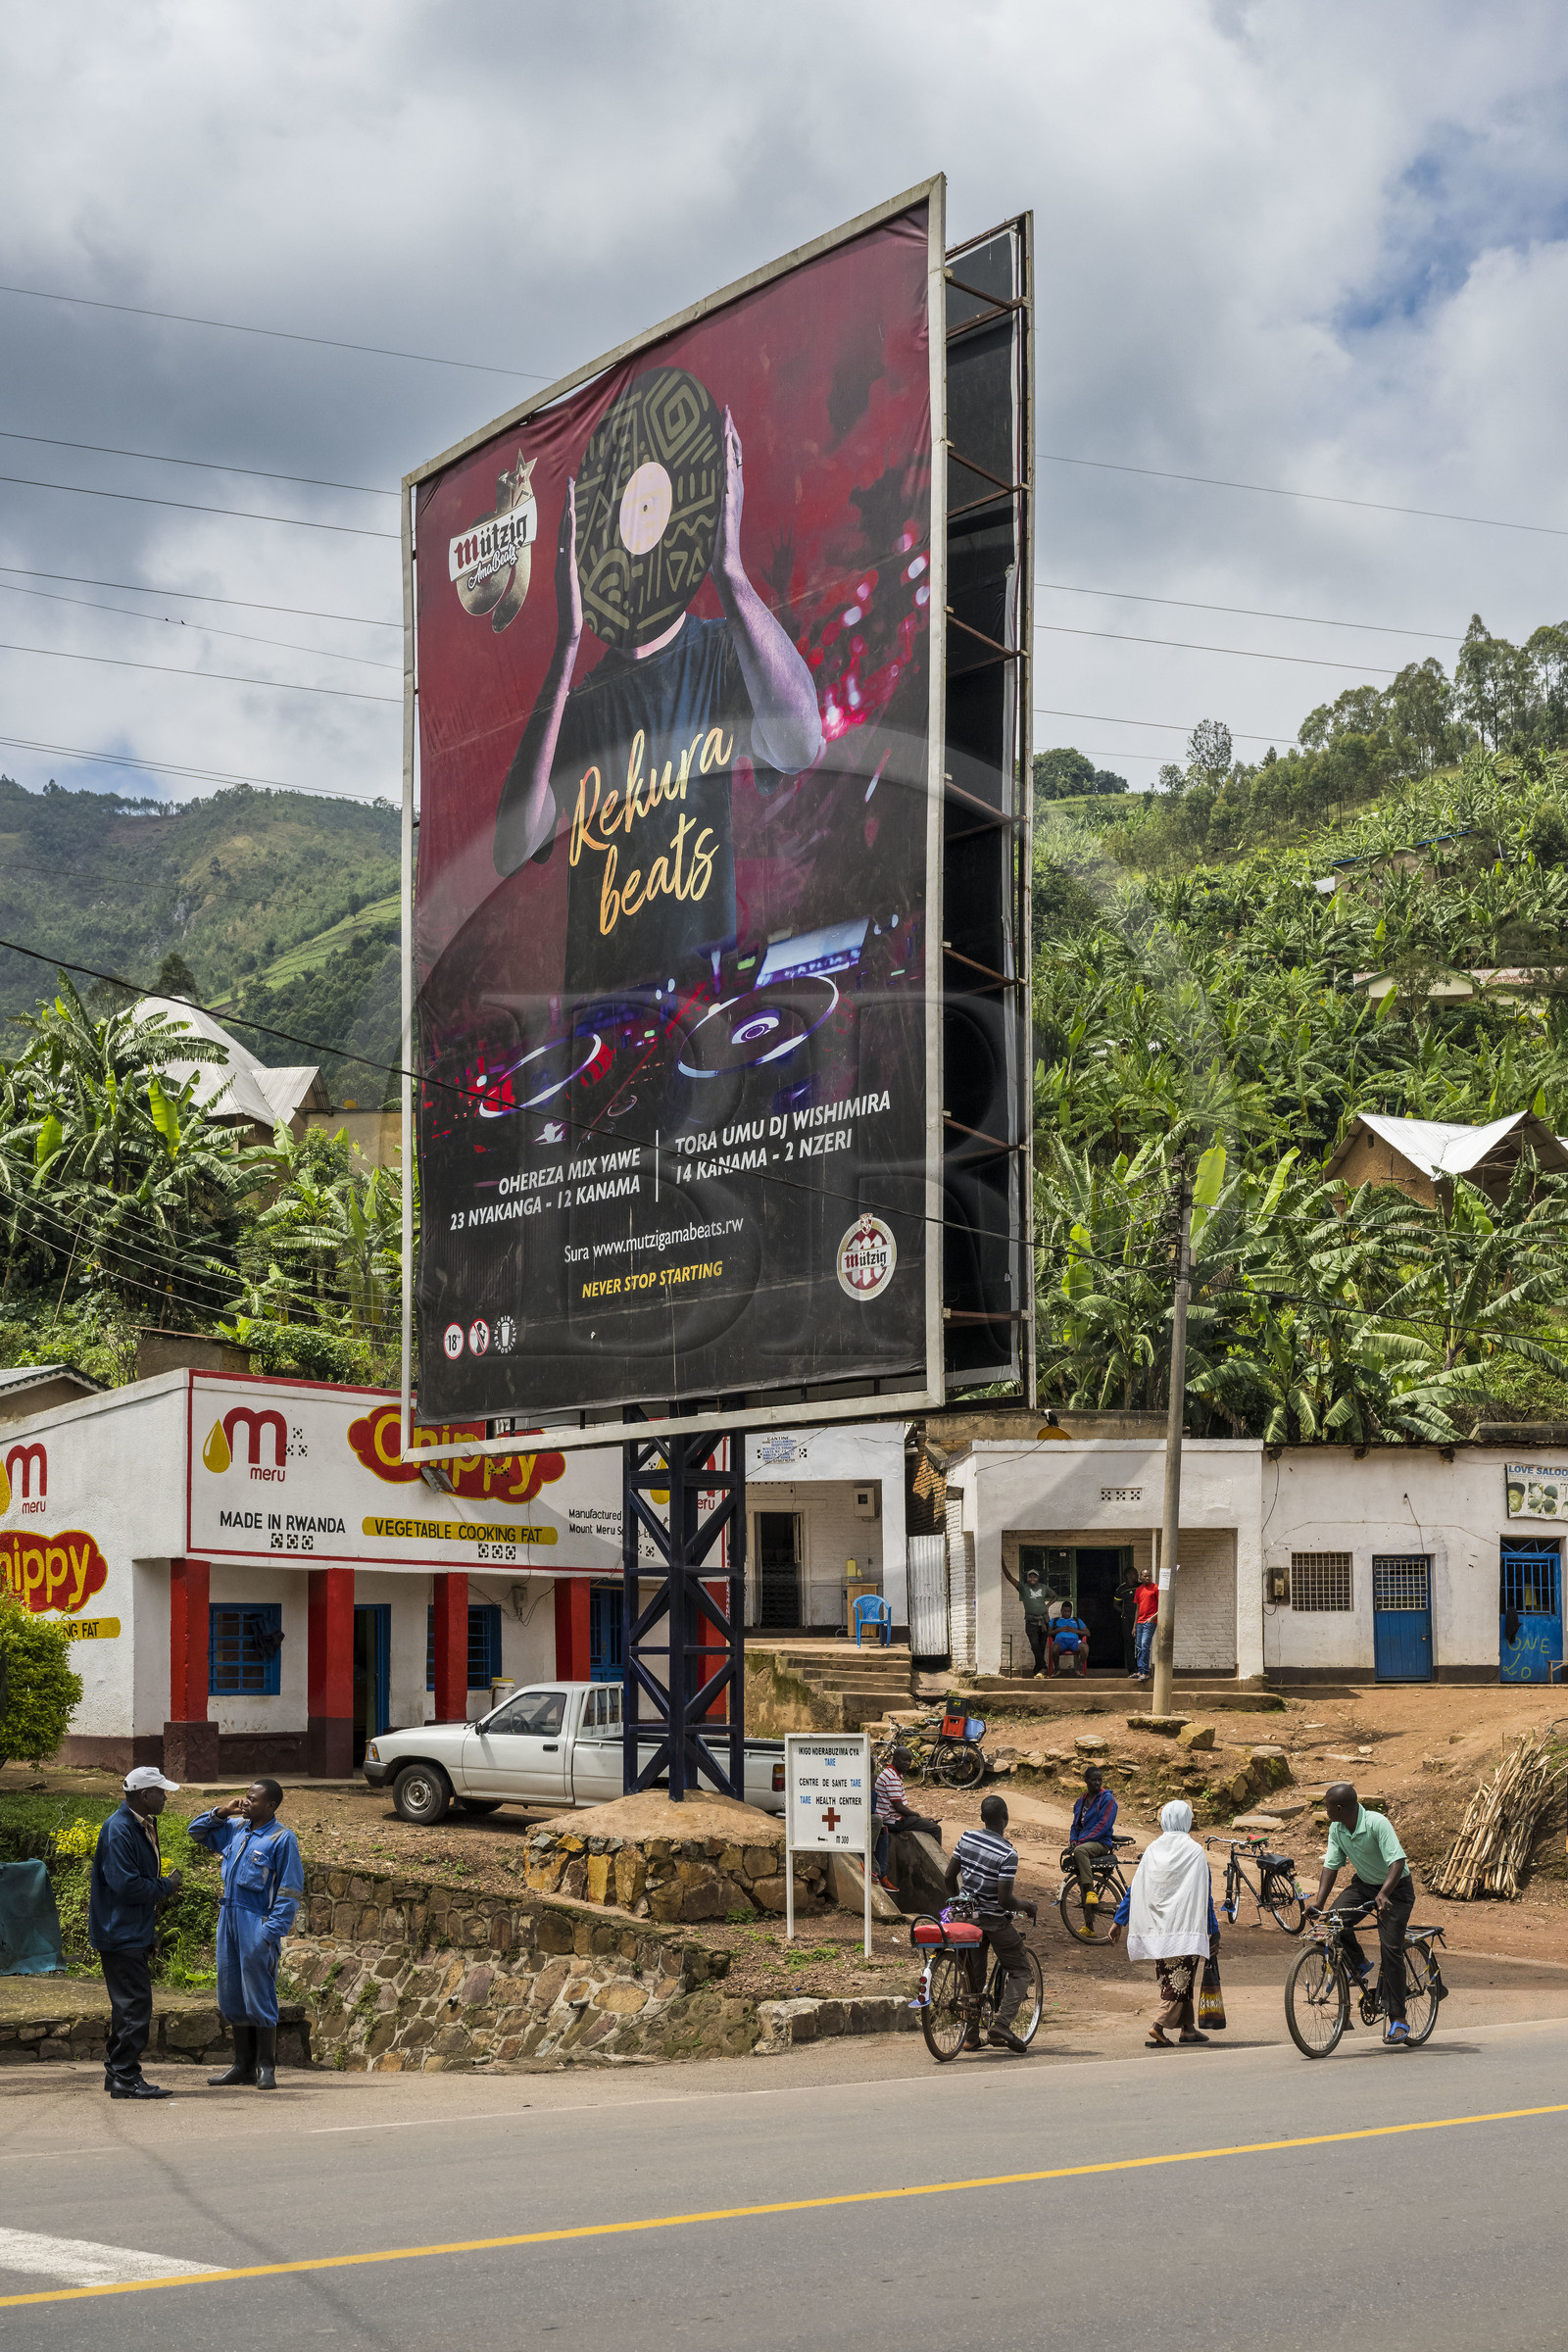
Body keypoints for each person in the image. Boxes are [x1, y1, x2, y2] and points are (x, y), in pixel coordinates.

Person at [493, 406, 824, 995]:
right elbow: (512, 848)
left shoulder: (723, 652)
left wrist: (731, 573)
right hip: (601, 1033)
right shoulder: (581, 703)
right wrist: (567, 644)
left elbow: (801, 742)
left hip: (706, 1010)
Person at [189, 1781, 305, 2090]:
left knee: (259, 1991)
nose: (246, 1802)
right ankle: (242, 2065)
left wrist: (270, 1932)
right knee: (231, 1990)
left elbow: (290, 1890)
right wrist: (221, 1811)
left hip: (257, 1921)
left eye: (253, 1799)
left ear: (271, 1806)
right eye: (246, 1797)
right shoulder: (236, 1828)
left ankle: (265, 2066)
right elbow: (196, 1832)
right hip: (228, 1917)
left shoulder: (282, 1839)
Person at [87, 1764, 184, 2100]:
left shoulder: (141, 1824)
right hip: (119, 1932)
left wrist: (149, 1932)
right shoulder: (120, 1829)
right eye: (161, 1792)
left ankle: (120, 2074)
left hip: (132, 1929)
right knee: (133, 2006)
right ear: (145, 1795)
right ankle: (125, 2077)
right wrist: (166, 1886)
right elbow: (125, 1885)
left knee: (131, 2005)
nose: (165, 1798)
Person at [1306, 1781, 1415, 2046]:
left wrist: (1385, 1893)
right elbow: (1331, 1865)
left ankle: (1398, 2019)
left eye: (1328, 1807)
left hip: (1395, 1889)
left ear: (1340, 1807)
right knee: (1333, 1923)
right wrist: (1320, 1902)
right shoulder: (1337, 1827)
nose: (1326, 1811)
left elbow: (1397, 1862)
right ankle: (1359, 1965)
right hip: (1365, 1885)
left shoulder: (1377, 1823)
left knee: (1390, 1948)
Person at [944, 1793, 1038, 2055]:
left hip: (966, 1918)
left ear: (982, 1817)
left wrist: (958, 1903)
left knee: (974, 1976)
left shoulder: (966, 1838)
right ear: (1005, 1819)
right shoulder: (1008, 1853)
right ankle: (1002, 2024)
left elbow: (949, 1877)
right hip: (994, 1921)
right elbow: (1005, 1901)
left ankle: (971, 2037)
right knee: (1021, 1970)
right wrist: (1027, 1906)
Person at [1124, 1798, 1219, 2047]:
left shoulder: (1153, 1850)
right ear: (1187, 1820)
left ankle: (1187, 2029)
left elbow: (1135, 1889)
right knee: (1178, 1980)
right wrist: (1214, 1930)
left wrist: (1118, 1920)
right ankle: (1158, 2026)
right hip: (1185, 1928)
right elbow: (1204, 1895)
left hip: (1158, 1928)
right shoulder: (1195, 1851)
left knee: (1175, 1978)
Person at [872, 1746, 942, 1888]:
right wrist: (918, 1815)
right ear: (896, 1758)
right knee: (935, 1829)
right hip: (892, 1820)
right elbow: (899, 1807)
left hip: (895, 1817)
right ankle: (934, 1867)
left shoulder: (894, 1774)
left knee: (926, 1823)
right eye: (904, 1760)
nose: (907, 1764)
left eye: (910, 1761)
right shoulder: (891, 1776)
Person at [1066, 1767, 1119, 1915]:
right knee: (1081, 1874)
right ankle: (1089, 1928)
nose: (1097, 1783)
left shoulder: (1107, 1799)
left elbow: (1103, 1825)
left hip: (1101, 1843)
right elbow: (1075, 1826)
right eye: (1093, 1780)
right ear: (1086, 1781)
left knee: (1080, 1851)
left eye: (1099, 1780)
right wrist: (1074, 1840)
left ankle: (1091, 1892)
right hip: (1085, 1842)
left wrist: (1081, 1842)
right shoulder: (1080, 1802)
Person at [1003, 1558, 1055, 1677]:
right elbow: (1010, 1577)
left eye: (1034, 1577)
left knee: (1041, 1647)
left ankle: (1037, 1671)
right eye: (1030, 1577)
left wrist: (1048, 1605)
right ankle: (1043, 1668)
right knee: (1035, 1645)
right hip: (1031, 1622)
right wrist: (1003, 1564)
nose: (1032, 1579)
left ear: (1038, 1578)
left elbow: (1055, 1596)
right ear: (1027, 1578)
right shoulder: (1023, 1588)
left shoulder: (1043, 1588)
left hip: (1044, 1621)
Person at [1133, 1572, 1159, 1681]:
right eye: (1145, 1576)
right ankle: (1140, 1671)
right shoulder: (1138, 1590)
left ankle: (1146, 1672)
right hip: (1139, 1622)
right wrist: (1134, 1626)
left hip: (1150, 1622)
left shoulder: (1155, 1588)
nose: (1148, 1578)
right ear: (1140, 1577)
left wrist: (1152, 1618)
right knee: (1139, 1646)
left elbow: (1162, 1605)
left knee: (1144, 1645)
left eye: (1149, 1576)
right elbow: (1137, 1609)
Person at [1049, 1609, 1090, 1678]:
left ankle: (1078, 1668)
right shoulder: (1055, 1620)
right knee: (1054, 1648)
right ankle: (1057, 1669)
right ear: (1061, 1611)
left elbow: (1088, 1633)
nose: (1067, 1613)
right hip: (1060, 1640)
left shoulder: (1077, 1620)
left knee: (1085, 1647)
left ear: (1071, 1611)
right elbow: (1047, 1633)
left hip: (1074, 1640)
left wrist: (1076, 1631)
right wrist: (1058, 1630)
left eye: (1069, 1611)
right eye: (1065, 1611)